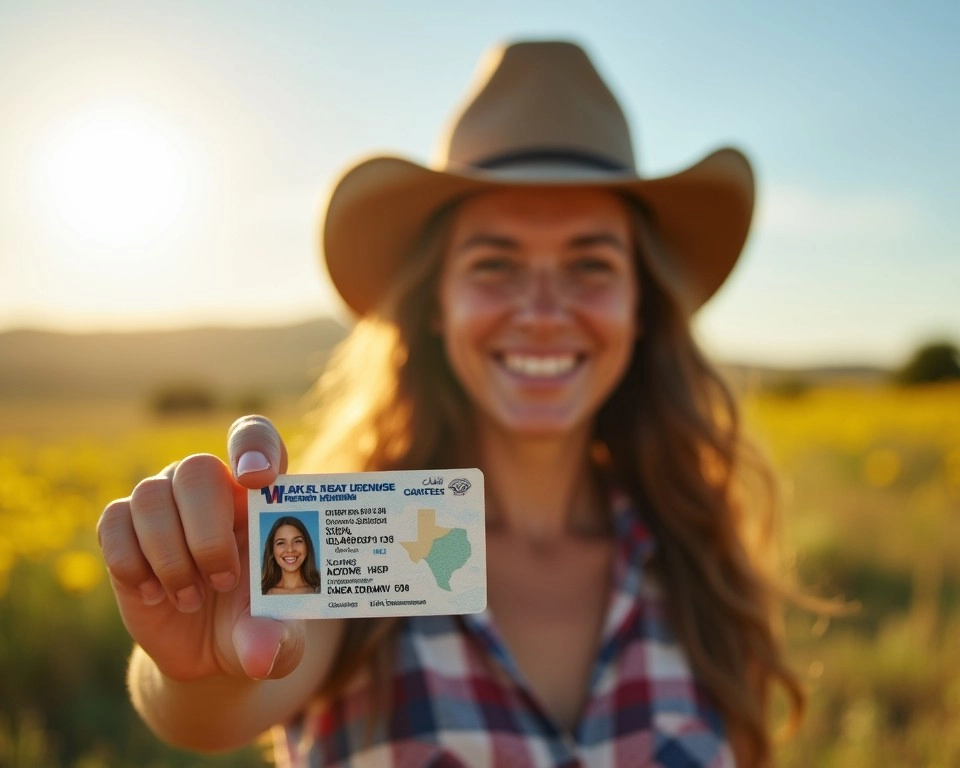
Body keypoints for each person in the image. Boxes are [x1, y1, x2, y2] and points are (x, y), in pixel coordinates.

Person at [97, 40, 805, 767]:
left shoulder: (696, 561)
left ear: (641, 306)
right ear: (436, 303)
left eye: (590, 264)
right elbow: (210, 709)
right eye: (495, 264)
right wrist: (198, 663)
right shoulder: (355, 533)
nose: (542, 310)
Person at [261, 516, 321, 595]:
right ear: (272, 550)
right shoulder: (261, 592)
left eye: (297, 541)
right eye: (281, 543)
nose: (290, 549)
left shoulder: (323, 589)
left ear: (307, 546)